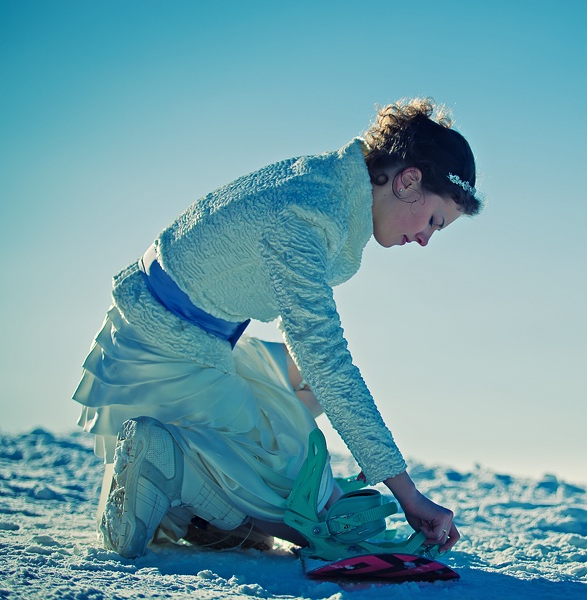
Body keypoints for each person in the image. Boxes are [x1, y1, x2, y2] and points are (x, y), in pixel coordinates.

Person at [72, 98, 482, 559]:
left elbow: (311, 356)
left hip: (176, 336)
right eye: (434, 221)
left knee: (306, 393)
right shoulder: (311, 215)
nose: (426, 239)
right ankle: (170, 460)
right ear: (408, 181)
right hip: (157, 355)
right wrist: (408, 494)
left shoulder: (326, 183)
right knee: (306, 498)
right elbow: (326, 359)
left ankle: (206, 509)